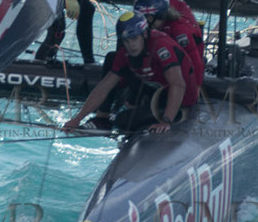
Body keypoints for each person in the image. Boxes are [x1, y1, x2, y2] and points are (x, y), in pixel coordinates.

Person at [62, 11, 196, 135]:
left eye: (134, 38)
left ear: (144, 34)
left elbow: (178, 84)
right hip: (154, 89)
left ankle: (153, 112)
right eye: (126, 40)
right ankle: (102, 118)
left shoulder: (161, 46)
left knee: (122, 121)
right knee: (112, 58)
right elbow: (104, 86)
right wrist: (77, 119)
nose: (131, 45)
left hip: (180, 99)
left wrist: (166, 120)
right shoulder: (125, 52)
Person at [135, 0, 203, 86]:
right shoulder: (160, 27)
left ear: (150, 18)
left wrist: (195, 89)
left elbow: (195, 62)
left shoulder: (179, 31)